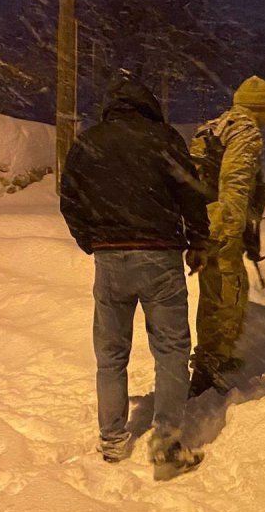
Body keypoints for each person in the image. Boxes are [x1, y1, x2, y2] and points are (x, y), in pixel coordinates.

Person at [59, 72, 210, 480]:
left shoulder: (89, 143)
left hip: (110, 261)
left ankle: (112, 440)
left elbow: (69, 197)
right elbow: (192, 194)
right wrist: (198, 241)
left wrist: (91, 240)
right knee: (172, 350)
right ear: (148, 106)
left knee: (111, 354)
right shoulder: (164, 139)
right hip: (160, 257)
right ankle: (166, 443)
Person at [188, 75, 265, 397]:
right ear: (261, 108)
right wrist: (230, 229)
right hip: (221, 226)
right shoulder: (245, 130)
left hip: (204, 221)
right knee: (228, 296)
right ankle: (209, 369)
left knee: (213, 294)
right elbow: (236, 182)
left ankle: (211, 357)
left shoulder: (214, 126)